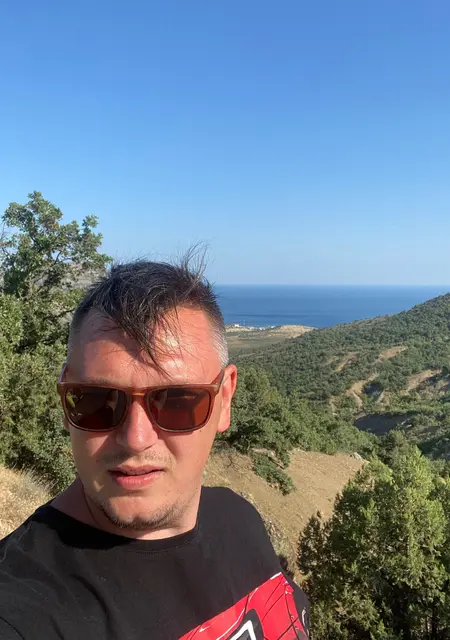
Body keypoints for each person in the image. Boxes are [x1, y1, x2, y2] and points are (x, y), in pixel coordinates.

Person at [0, 258, 310, 639]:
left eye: (176, 401)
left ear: (225, 399)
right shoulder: (23, 609)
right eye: (97, 400)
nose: (136, 438)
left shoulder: (239, 520)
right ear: (66, 401)